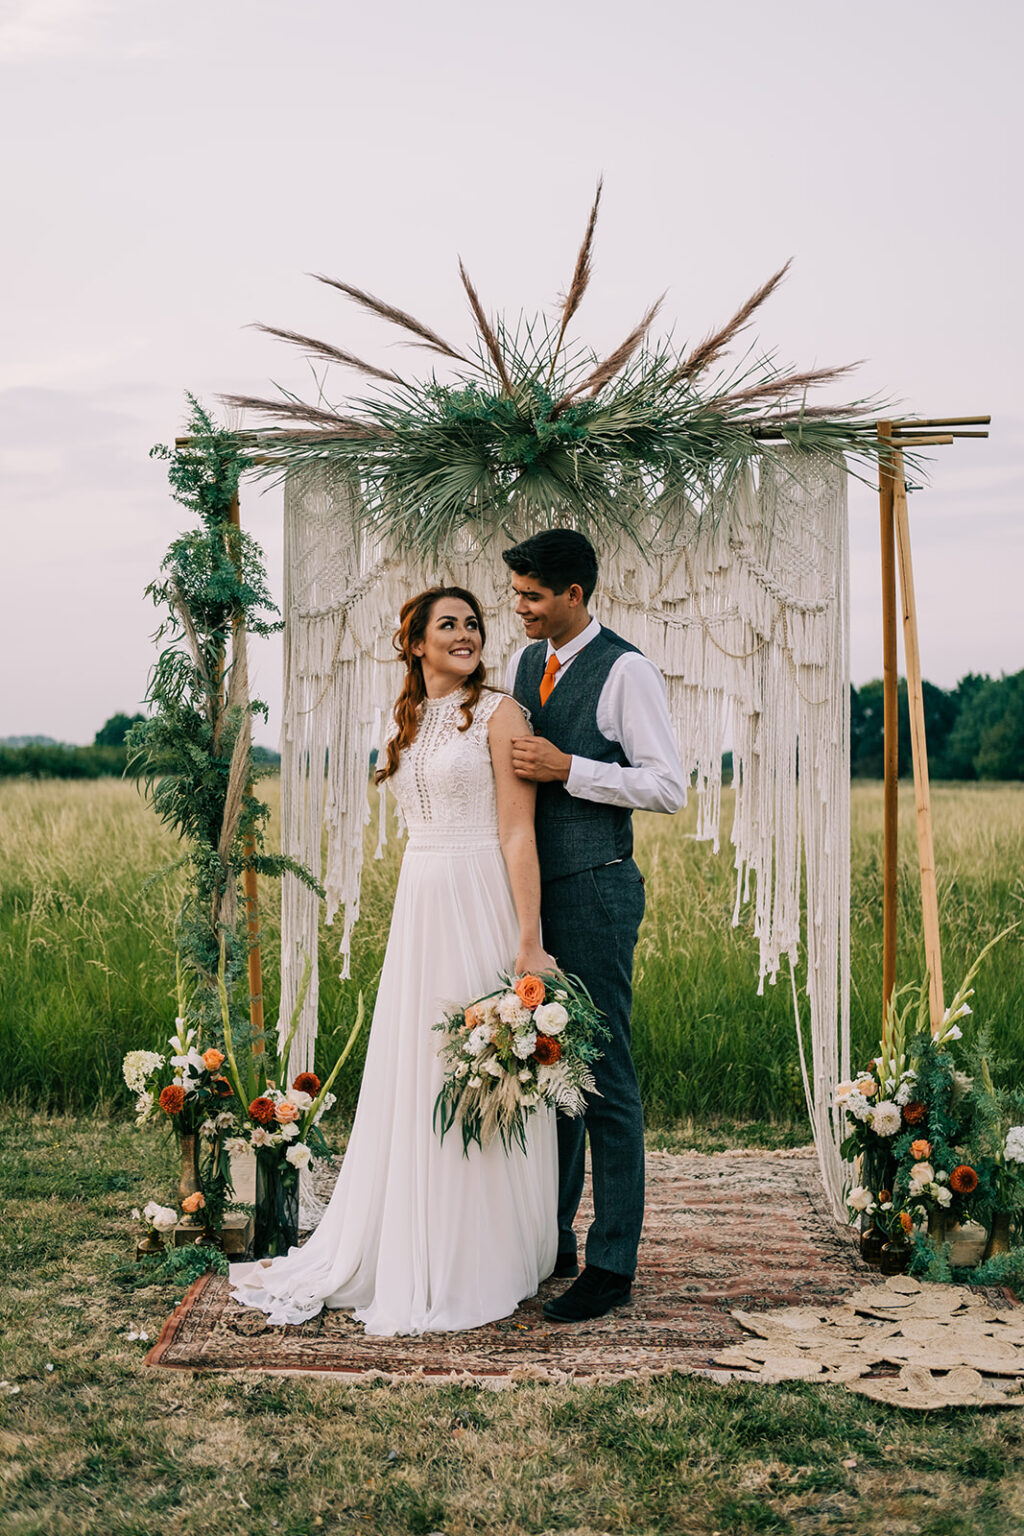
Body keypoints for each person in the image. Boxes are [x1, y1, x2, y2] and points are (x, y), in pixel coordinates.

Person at [229, 586, 558, 1335]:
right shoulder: (402, 719)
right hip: (422, 901)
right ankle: (409, 1237)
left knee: (478, 1065)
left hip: (480, 895)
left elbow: (517, 832)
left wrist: (529, 937)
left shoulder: (502, 713)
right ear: (414, 642)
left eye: (474, 624)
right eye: (450, 624)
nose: (467, 634)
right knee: (419, 1068)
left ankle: (485, 1250)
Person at [503, 529, 687, 1323]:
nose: (519, 609)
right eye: (516, 595)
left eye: (533, 596)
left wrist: (568, 769)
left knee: (605, 1079)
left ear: (576, 594)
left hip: (600, 892)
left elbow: (668, 786)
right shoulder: (526, 665)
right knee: (551, 1074)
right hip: (538, 898)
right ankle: (554, 1242)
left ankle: (613, 1262)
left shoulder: (627, 670)